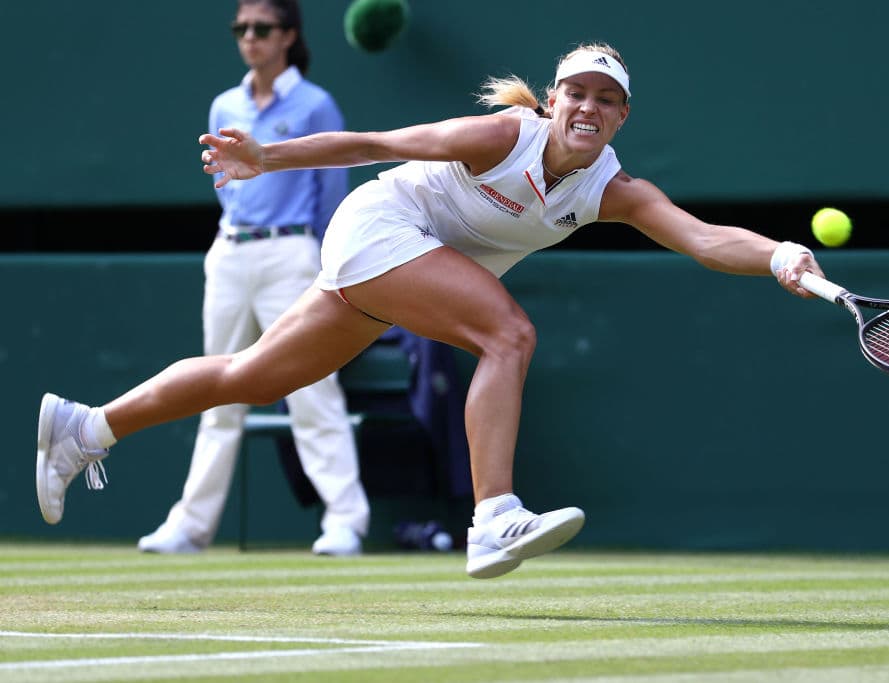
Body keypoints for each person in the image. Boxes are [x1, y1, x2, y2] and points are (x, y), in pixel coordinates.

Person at [36, 42, 824, 579]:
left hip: (400, 268)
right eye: (577, 93)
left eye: (606, 99)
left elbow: (704, 238)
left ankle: (85, 427)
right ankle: (493, 518)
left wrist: (780, 253)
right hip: (379, 228)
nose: (589, 106)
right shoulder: (497, 136)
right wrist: (267, 156)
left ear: (622, 118)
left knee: (248, 375)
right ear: (553, 102)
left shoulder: (614, 191)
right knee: (508, 333)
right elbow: (377, 142)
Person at [137, 0, 370, 557]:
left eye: (261, 28)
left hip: (292, 252)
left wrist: (320, 258)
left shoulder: (316, 105)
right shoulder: (226, 103)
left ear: (288, 35)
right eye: (241, 28)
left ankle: (345, 521)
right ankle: (191, 526)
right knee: (216, 389)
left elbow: (331, 191)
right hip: (230, 252)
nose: (250, 37)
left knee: (312, 387)